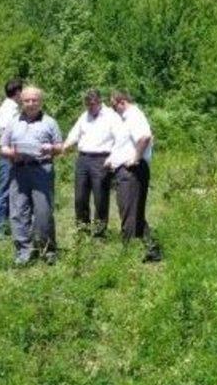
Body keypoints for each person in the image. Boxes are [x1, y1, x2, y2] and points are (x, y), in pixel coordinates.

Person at [0, 86, 62, 265]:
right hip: (19, 170)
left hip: (42, 170)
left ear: (40, 101)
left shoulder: (50, 122)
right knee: (18, 212)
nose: (31, 104)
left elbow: (60, 146)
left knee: (43, 212)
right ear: (22, 102)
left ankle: (47, 250)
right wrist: (12, 153)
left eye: (34, 100)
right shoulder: (13, 122)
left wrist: (51, 148)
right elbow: (2, 146)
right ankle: (23, 252)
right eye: (27, 100)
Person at [106, 90, 162, 262]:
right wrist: (112, 159)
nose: (113, 109)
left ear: (122, 102)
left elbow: (144, 138)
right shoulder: (126, 119)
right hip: (125, 170)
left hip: (132, 171)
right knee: (133, 212)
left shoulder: (134, 116)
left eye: (113, 105)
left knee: (129, 213)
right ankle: (152, 249)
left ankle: (129, 254)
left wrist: (135, 158)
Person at [61, 89, 123, 237]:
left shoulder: (111, 116)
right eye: (87, 104)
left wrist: (112, 158)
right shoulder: (84, 116)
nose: (90, 107)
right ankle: (82, 230)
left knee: (100, 197)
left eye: (92, 104)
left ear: (100, 102)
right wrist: (65, 146)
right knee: (80, 197)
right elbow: (74, 134)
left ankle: (99, 232)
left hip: (101, 159)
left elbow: (120, 139)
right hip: (83, 159)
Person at [0, 78, 23, 240]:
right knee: (3, 190)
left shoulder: (12, 107)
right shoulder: (8, 109)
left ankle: (4, 225)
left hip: (11, 152)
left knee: (10, 189)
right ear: (17, 92)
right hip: (7, 153)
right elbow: (4, 130)